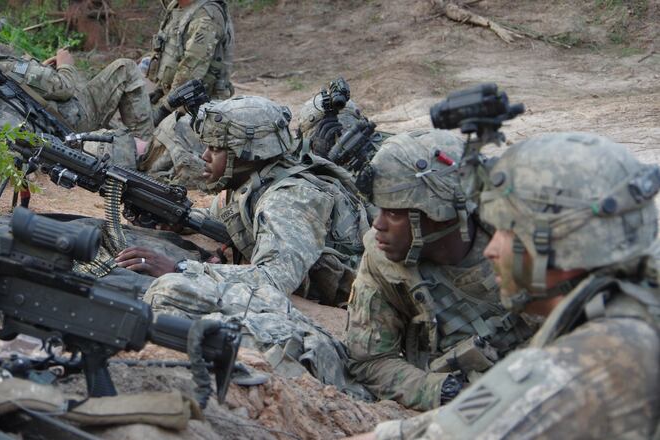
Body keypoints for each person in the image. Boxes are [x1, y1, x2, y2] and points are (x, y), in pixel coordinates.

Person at [351, 132, 660, 439]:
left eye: (507, 232)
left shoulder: (585, 363)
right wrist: (439, 391)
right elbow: (372, 362)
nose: (492, 249)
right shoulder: (630, 301)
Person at [117, 95, 370, 307]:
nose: (204, 156)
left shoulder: (288, 200)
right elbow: (216, 218)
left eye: (216, 149)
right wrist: (170, 215)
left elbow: (273, 280)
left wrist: (180, 268)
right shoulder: (250, 182)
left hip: (350, 299)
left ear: (248, 154)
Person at [344, 129, 535, 411]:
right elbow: (369, 360)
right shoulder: (383, 262)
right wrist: (438, 391)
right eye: (380, 210)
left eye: (395, 213)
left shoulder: (521, 235)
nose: (377, 225)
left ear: (438, 213)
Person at [0, 1, 154, 140]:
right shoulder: (2, 66)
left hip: (48, 117)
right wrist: (66, 63)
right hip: (72, 120)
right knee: (125, 67)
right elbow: (65, 88)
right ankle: (142, 148)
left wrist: (41, 68)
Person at [145, 0, 234, 107]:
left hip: (199, 106)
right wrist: (160, 90)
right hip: (172, 95)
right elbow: (170, 55)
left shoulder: (207, 16)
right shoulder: (176, 6)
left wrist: (164, 108)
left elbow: (191, 70)